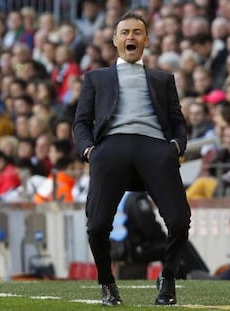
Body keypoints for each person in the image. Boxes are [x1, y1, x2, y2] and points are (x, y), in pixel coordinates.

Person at [73, 12, 190, 306]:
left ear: (147, 40)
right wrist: (89, 150)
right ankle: (107, 282)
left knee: (179, 219)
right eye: (125, 32)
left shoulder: (163, 79)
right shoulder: (96, 78)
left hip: (155, 147)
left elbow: (178, 122)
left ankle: (168, 277)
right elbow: (81, 122)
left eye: (137, 32)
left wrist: (175, 146)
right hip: (110, 147)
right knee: (97, 225)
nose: (131, 37)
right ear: (115, 40)